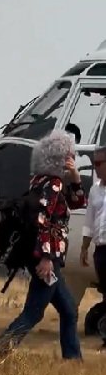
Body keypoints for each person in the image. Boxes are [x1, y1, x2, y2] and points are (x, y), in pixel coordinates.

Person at [0, 130, 85, 359]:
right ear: (60, 156)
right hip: (46, 258)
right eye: (70, 155)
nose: (73, 157)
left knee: (69, 310)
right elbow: (43, 220)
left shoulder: (41, 181)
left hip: (45, 256)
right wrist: (46, 257)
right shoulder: (52, 184)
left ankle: (73, 359)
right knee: (33, 312)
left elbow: (78, 202)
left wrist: (75, 178)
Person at [78, 145, 106, 348]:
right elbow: (89, 221)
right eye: (93, 163)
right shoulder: (95, 190)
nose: (95, 168)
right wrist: (84, 247)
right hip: (101, 250)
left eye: (98, 163)